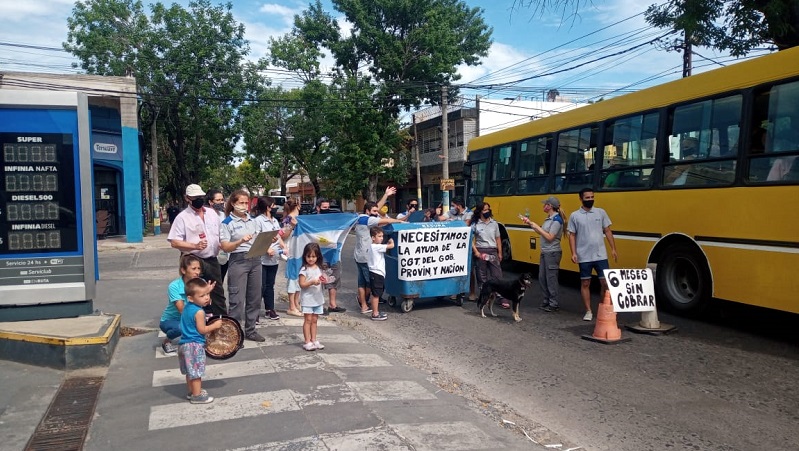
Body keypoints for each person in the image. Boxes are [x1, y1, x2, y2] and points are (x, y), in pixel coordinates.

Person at [167, 184, 226, 316]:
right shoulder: (182, 217)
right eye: (194, 197)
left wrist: (222, 243)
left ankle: (222, 322)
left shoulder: (211, 213)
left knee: (217, 292)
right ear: (187, 198)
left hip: (211, 258)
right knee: (195, 292)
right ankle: (197, 322)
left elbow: (220, 232)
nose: (198, 199)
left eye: (200, 197)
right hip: (193, 259)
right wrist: (195, 246)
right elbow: (174, 242)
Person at [220, 190, 264, 342]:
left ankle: (251, 330)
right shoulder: (227, 223)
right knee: (237, 300)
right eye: (241, 203)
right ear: (233, 203)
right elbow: (225, 247)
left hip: (255, 259)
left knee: (255, 298)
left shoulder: (253, 220)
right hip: (238, 259)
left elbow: (258, 238)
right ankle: (235, 335)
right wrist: (240, 242)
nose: (245, 206)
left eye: (247, 203)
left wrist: (267, 242)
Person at [567, 188, 618, 321]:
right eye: (587, 198)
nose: (590, 199)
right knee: (585, 283)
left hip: (600, 255)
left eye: (592, 197)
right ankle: (588, 311)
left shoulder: (601, 212)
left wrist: (613, 248)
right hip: (584, 255)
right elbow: (572, 235)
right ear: (581, 199)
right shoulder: (575, 215)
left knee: (606, 283)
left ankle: (603, 307)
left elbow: (607, 231)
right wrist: (573, 253)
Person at [354, 187, 405, 314]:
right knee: (369, 284)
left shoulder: (361, 217)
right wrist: (399, 221)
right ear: (367, 211)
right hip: (366, 257)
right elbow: (385, 220)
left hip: (359, 255)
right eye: (374, 211)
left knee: (362, 282)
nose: (377, 212)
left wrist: (386, 195)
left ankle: (363, 303)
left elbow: (375, 207)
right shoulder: (369, 220)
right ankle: (364, 303)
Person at [178, 277, 223, 404]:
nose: (206, 298)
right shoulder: (199, 312)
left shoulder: (188, 307)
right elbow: (202, 329)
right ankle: (197, 396)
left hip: (183, 344)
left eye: (207, 294)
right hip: (194, 345)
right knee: (196, 372)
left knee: (189, 371)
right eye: (202, 295)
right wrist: (215, 326)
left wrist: (205, 291)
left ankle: (192, 391)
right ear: (191, 298)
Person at [521, 196, 565, 312]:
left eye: (545, 204)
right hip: (545, 252)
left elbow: (550, 237)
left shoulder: (557, 220)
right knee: (542, 277)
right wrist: (530, 224)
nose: (543, 206)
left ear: (550, 206)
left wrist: (536, 226)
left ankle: (553, 303)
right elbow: (543, 232)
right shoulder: (548, 219)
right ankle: (546, 300)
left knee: (551, 278)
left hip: (552, 253)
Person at [159, 254, 202, 354]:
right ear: (183, 270)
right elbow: (182, 309)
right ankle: (166, 341)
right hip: (171, 320)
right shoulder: (174, 286)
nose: (197, 272)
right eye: (194, 268)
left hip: (190, 316)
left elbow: (205, 303)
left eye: (199, 268)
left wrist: (207, 295)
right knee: (182, 327)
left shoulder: (201, 283)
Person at [253, 196, 284, 322]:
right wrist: (266, 249)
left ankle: (269, 309)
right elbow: (256, 238)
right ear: (268, 207)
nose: (275, 208)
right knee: (260, 286)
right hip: (261, 259)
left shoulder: (274, 221)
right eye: (273, 205)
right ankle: (254, 312)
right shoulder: (258, 221)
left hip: (273, 259)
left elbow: (278, 235)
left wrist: (283, 246)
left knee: (270, 285)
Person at [316, 198, 346, 314]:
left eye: (328, 207)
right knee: (319, 281)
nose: (327, 210)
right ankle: (319, 306)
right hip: (320, 256)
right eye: (324, 208)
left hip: (334, 255)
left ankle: (332, 305)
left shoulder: (334, 221)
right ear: (318, 208)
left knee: (334, 280)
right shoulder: (313, 222)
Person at [472, 201, 504, 305]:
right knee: (482, 276)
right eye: (485, 210)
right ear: (480, 211)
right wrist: (476, 251)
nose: (487, 212)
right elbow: (471, 239)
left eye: (488, 209)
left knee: (497, 274)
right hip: (481, 251)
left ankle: (500, 296)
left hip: (492, 251)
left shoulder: (494, 223)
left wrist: (500, 252)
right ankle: (484, 296)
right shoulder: (476, 224)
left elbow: (498, 238)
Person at [298, 243, 325, 351]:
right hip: (308, 299)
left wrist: (324, 280)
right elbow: (302, 284)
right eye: (308, 256)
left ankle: (314, 339)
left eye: (313, 256)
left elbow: (322, 279)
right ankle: (307, 341)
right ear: (305, 256)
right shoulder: (304, 270)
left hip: (317, 298)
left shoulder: (319, 268)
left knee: (314, 320)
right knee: (308, 319)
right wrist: (311, 282)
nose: (311, 259)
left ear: (317, 256)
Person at [281, 199, 302, 317]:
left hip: (301, 251)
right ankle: (291, 306)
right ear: (298, 205)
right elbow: (283, 236)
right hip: (292, 252)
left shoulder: (300, 218)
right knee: (293, 278)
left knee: (300, 278)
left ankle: (296, 303)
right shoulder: (289, 219)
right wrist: (291, 226)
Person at [367, 226, 393, 321]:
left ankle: (376, 311)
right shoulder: (376, 247)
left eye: (382, 236)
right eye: (379, 236)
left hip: (377, 273)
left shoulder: (374, 246)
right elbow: (391, 246)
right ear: (373, 238)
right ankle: (375, 314)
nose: (381, 238)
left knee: (377, 293)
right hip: (376, 273)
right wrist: (391, 240)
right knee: (376, 294)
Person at [206, 189, 229, 282]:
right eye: (218, 200)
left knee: (220, 279)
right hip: (211, 255)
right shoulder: (205, 215)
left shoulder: (224, 215)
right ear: (210, 202)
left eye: (222, 200)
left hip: (224, 254)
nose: (221, 202)